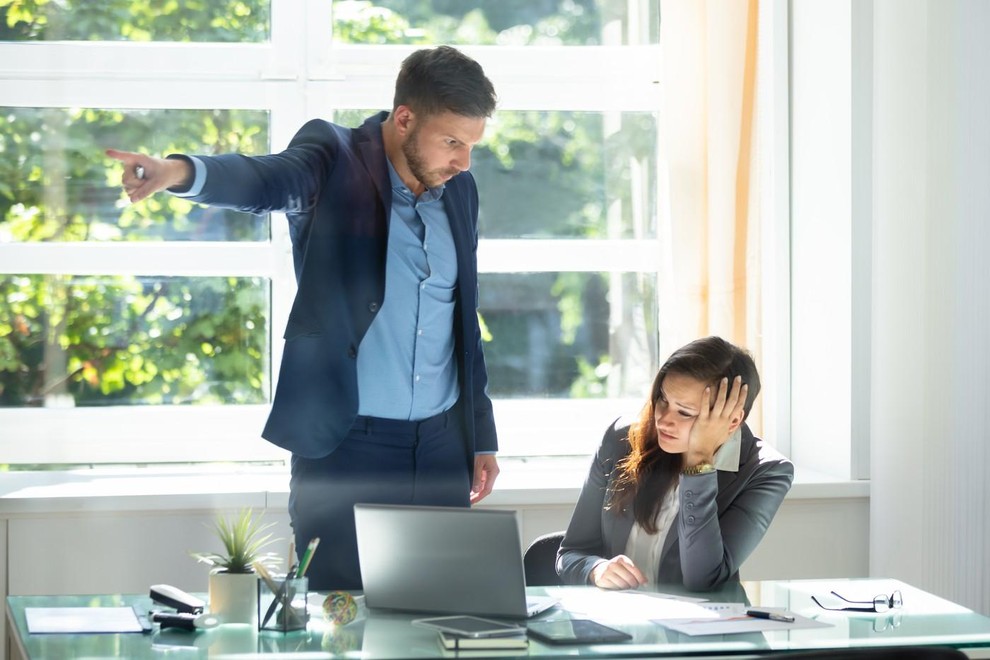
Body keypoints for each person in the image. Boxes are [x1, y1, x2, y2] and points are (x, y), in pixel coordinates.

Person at [106, 45, 500, 591]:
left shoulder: (460, 191)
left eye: (472, 146)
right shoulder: (335, 157)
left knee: (435, 615)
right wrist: (179, 172)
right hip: (348, 447)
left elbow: (461, 321)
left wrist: (480, 434)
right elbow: (266, 179)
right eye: (453, 142)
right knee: (338, 621)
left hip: (440, 450)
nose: (463, 162)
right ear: (405, 118)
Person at [557, 336, 793, 591]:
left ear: (732, 421)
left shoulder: (766, 472)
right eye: (663, 400)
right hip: (619, 622)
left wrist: (699, 461)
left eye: (684, 412)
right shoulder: (620, 439)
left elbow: (703, 579)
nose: (663, 420)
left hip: (700, 626)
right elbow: (571, 553)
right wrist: (595, 568)